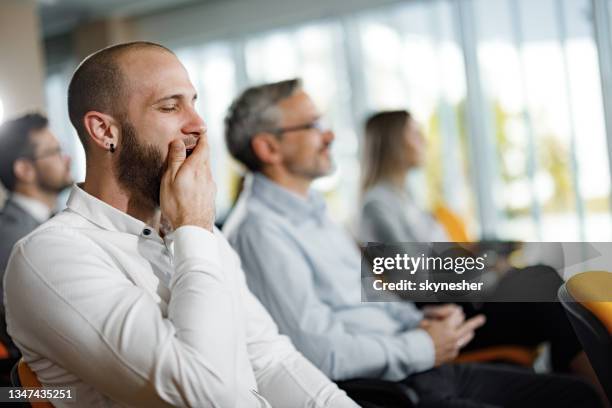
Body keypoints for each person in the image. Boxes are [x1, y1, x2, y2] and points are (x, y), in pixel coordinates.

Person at [3, 43, 357, 408]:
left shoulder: (197, 233)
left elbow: (270, 361)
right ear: (105, 131)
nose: (198, 124)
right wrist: (193, 228)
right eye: (170, 106)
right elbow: (202, 394)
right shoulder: (49, 256)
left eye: (194, 102)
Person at [222, 79, 602, 407]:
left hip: (415, 357)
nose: (331, 135)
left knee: (576, 397)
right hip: (390, 383)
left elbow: (370, 291)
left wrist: (419, 321)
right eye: (312, 124)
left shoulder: (315, 213)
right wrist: (422, 342)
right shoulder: (259, 231)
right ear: (269, 149)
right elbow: (320, 352)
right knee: (542, 289)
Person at [358, 110, 604, 395]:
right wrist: (487, 270)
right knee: (546, 292)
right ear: (392, 144)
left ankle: (588, 392)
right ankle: (596, 392)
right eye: (414, 134)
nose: (424, 140)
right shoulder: (377, 207)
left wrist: (485, 268)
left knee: (545, 285)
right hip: (446, 316)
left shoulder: (406, 200)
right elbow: (416, 282)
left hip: (462, 300)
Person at [0, 113, 72, 356]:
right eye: (55, 152)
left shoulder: (57, 220)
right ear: (24, 169)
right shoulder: (10, 238)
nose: (67, 159)